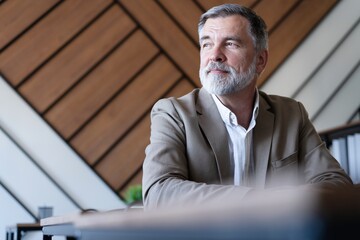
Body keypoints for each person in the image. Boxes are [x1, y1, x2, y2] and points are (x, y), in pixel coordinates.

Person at [142, 4, 352, 209]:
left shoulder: (291, 114)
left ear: (260, 60)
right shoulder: (173, 114)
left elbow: (335, 183)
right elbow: (159, 192)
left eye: (230, 44)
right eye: (206, 44)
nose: (214, 55)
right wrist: (258, 201)